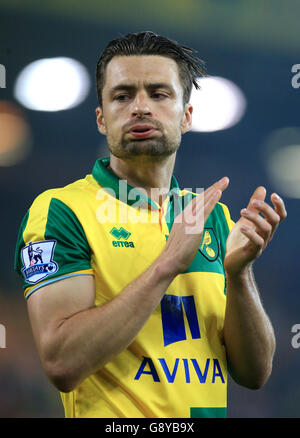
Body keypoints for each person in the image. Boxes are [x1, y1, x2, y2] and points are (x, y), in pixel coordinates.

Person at [14, 31, 287, 418]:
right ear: (101, 119)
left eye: (159, 94)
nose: (140, 108)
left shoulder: (214, 219)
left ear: (187, 115)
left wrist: (240, 274)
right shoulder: (61, 210)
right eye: (123, 96)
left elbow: (255, 372)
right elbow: (62, 363)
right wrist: (166, 265)